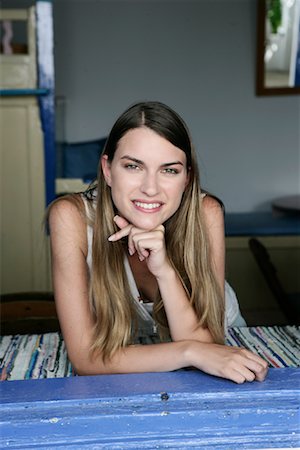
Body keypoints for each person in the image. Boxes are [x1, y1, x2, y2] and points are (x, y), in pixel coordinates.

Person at [48, 101, 268, 383]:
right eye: (133, 166)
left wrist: (163, 269)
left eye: (169, 170)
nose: (150, 189)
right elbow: (86, 358)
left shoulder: (206, 214)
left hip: (217, 350)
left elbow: (208, 346)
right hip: (162, 358)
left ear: (187, 178)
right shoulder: (71, 218)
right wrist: (188, 352)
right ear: (107, 170)